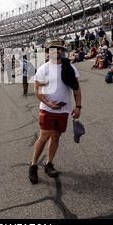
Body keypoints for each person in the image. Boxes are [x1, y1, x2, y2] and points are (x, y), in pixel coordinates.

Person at [29, 39, 82, 184]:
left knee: (56, 137)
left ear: (62, 51)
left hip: (64, 110)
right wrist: (48, 103)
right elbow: (37, 90)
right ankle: (33, 165)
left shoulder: (70, 67)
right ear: (48, 52)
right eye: (53, 49)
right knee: (44, 136)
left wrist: (78, 107)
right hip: (47, 109)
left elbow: (77, 90)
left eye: (59, 49)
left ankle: (49, 163)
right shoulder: (43, 69)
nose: (57, 51)